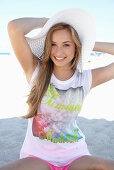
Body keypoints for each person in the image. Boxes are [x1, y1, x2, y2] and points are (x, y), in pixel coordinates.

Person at [1, 8, 114, 170]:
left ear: (76, 47)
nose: (58, 51)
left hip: (76, 156)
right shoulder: (35, 71)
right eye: (53, 44)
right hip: (38, 158)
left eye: (66, 44)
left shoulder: (86, 79)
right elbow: (14, 27)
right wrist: (47, 22)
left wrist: (87, 44)